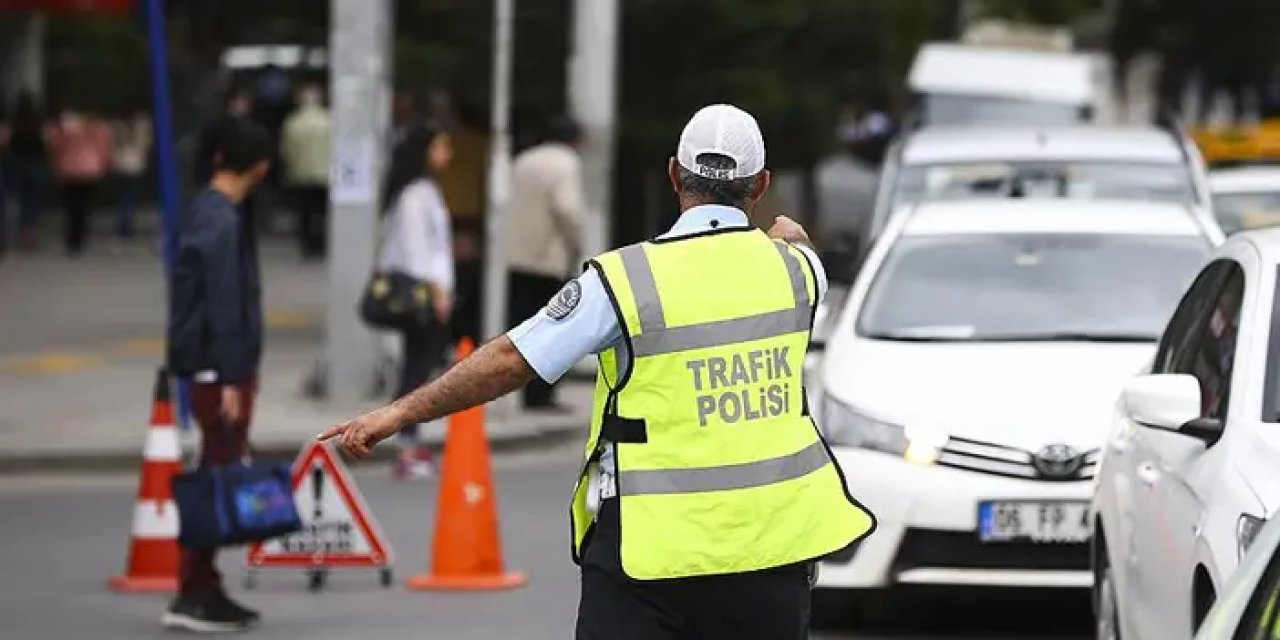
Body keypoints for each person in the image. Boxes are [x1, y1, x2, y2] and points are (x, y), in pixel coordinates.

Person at [320, 104, 875, 639]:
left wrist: (398, 413)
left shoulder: (624, 280)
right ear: (760, 185)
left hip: (650, 555)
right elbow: (793, 249)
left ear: (674, 175)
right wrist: (786, 238)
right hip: (771, 552)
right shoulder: (800, 272)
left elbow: (514, 360)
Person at [164, 118, 272, 633]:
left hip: (213, 367)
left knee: (218, 470)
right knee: (216, 475)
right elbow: (223, 305)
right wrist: (232, 377)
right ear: (260, 165)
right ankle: (193, 590)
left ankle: (203, 585)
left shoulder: (209, 211)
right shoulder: (222, 220)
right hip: (217, 371)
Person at [375, 122, 455, 480]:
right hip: (421, 294)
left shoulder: (425, 190)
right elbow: (417, 251)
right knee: (417, 368)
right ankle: (406, 442)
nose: (447, 155)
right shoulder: (413, 196)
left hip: (430, 292)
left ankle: (410, 439)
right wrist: (438, 292)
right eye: (441, 147)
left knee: (420, 365)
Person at [504, 115, 588, 409]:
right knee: (553, 327)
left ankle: (526, 391)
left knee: (523, 325)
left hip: (516, 255)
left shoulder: (523, 160)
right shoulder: (566, 163)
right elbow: (567, 207)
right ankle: (542, 395)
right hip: (548, 258)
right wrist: (577, 241)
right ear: (575, 140)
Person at [47, 107, 113, 256]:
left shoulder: (64, 128)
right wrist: (104, 165)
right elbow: (104, 148)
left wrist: (56, 166)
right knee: (85, 206)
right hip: (90, 170)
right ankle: (81, 237)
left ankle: (72, 238)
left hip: (68, 170)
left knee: (71, 207)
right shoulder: (98, 128)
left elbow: (56, 147)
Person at [280, 83, 331, 259]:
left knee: (305, 213)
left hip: (301, 174)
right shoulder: (329, 121)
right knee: (323, 211)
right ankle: (322, 243)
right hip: (325, 174)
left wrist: (289, 169)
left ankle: (307, 245)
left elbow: (287, 151)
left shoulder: (293, 123)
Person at [7, 91, 48, 251]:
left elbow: (8, 145)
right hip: (35, 165)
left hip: (15, 164)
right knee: (32, 201)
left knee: (14, 198)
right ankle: (28, 232)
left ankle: (13, 231)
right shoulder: (38, 123)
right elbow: (44, 145)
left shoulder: (13, 123)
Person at [111, 108, 152, 242]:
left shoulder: (118, 127)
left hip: (121, 164)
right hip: (135, 165)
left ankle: (123, 225)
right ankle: (126, 226)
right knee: (130, 197)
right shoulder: (141, 127)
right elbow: (146, 145)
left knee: (124, 197)